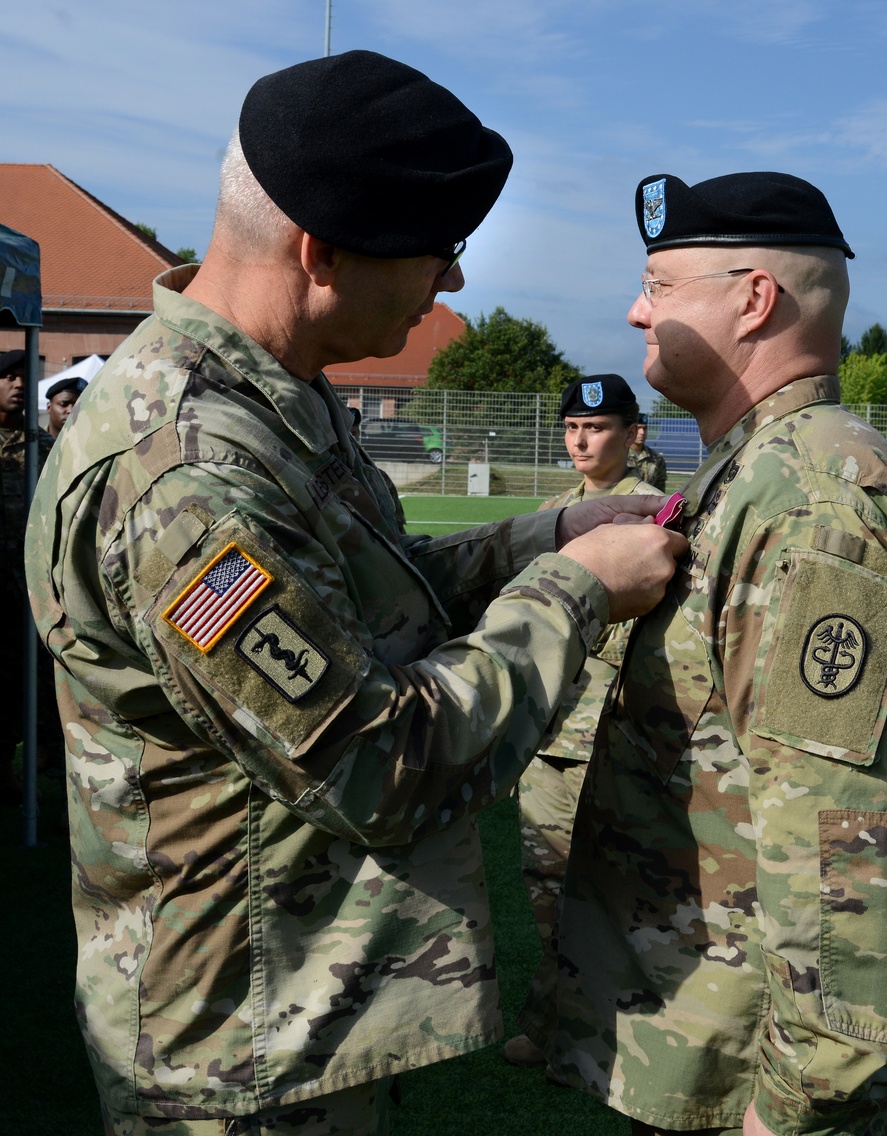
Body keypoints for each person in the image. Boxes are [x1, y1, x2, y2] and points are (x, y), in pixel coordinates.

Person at [24, 52, 685, 1136]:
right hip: (238, 1056)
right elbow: (378, 760)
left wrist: (549, 531)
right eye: (439, 251)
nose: (453, 286)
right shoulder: (187, 476)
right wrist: (572, 590)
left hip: (298, 1014)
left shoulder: (272, 397)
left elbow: (373, 600)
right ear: (320, 251)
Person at [543, 172, 887, 1136]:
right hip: (710, 1041)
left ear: (753, 299)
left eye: (661, 284)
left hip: (760, 1085)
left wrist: (796, 1107)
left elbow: (844, 848)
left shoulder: (812, 504)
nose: (635, 308)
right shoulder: (758, 476)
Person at [503, 373, 659, 1074]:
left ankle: (617, 1030)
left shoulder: (669, 517)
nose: (581, 440)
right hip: (555, 735)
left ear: (635, 435)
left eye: (596, 428)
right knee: (548, 888)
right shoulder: (556, 513)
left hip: (628, 735)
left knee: (633, 895)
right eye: (572, 428)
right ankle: (557, 1022)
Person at [0, 349, 57, 802]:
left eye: (25, 378)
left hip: (32, 593)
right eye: (9, 377)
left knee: (34, 689)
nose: (19, 385)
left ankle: (34, 771)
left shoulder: (44, 447)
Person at [627, 412, 668, 491]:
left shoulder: (656, 459)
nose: (642, 432)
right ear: (631, 430)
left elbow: (660, 489)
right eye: (638, 428)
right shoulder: (620, 456)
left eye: (644, 428)